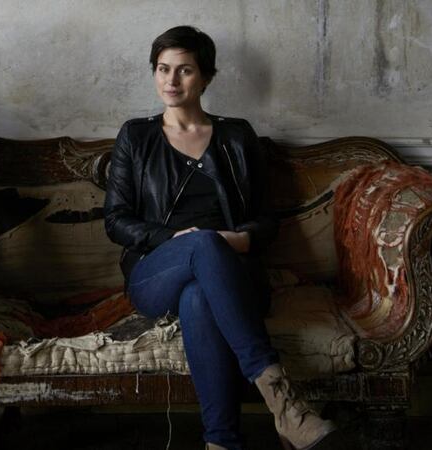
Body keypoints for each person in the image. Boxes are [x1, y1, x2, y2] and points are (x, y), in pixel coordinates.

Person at [103, 26, 336, 450]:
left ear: (206, 77)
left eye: (185, 70)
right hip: (157, 270)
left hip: (233, 270)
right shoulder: (135, 137)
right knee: (202, 246)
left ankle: (222, 442)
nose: (171, 82)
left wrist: (239, 240)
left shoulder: (237, 136)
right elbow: (116, 220)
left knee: (198, 297)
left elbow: (266, 218)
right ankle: (282, 402)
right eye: (162, 69)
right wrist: (178, 237)